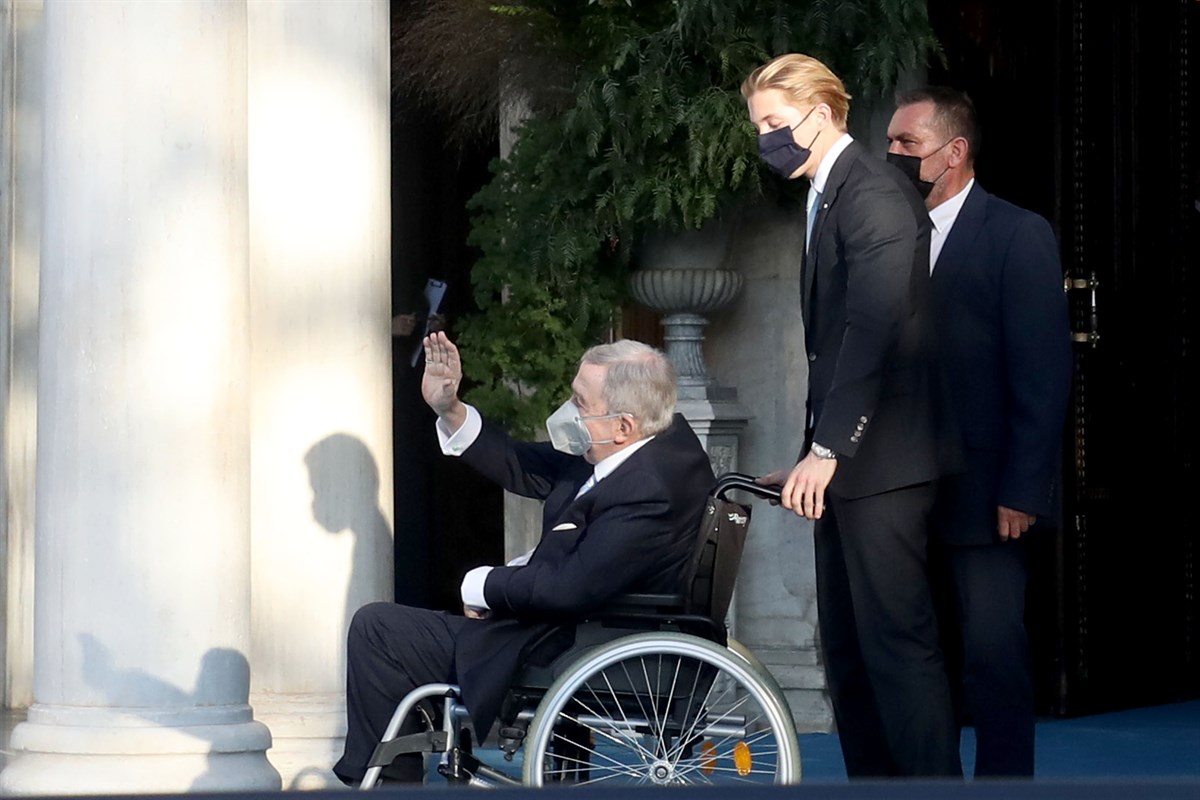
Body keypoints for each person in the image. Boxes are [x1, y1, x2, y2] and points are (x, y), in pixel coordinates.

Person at [332, 332, 716, 785]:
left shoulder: (645, 488)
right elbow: (521, 464)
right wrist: (449, 409)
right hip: (583, 628)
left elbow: (568, 588)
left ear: (624, 425)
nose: (568, 409)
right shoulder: (652, 446)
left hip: (571, 643)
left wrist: (483, 585)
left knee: (378, 629)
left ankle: (390, 786)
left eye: (580, 402)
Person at [742, 53, 961, 778]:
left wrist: (828, 449)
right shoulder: (830, 192)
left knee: (896, 648)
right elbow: (835, 346)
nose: (766, 139)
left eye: (774, 123)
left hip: (884, 464)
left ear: (820, 113)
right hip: (848, 466)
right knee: (848, 651)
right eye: (759, 127)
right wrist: (813, 453)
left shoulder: (871, 192)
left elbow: (873, 330)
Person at [886, 87, 1072, 778]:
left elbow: (1042, 373)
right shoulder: (887, 235)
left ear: (954, 152)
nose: (892, 155)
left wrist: (1023, 489)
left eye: (907, 144)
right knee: (915, 654)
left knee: (994, 655)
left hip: (990, 494)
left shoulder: (1017, 233)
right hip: (903, 489)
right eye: (890, 142)